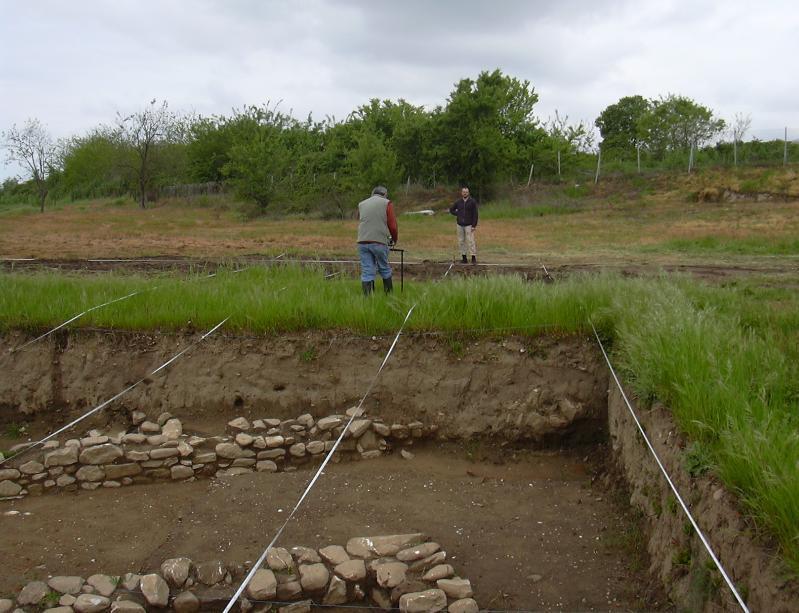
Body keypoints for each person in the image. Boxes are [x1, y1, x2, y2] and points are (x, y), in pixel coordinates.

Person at [357, 185, 398, 295]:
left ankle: (368, 298)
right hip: (379, 242)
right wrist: (394, 239)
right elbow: (393, 226)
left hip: (362, 241)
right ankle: (389, 295)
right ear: (385, 194)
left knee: (367, 271)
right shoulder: (386, 203)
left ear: (372, 194)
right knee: (384, 268)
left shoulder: (362, 204)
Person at [449, 186, 479, 264]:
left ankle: (473, 258)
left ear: (468, 193)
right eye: (463, 192)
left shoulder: (472, 202)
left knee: (470, 241)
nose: (465, 193)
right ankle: (464, 258)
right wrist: (458, 214)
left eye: (466, 192)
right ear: (461, 193)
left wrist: (474, 225)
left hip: (469, 225)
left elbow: (475, 214)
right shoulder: (458, 202)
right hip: (460, 225)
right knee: (461, 241)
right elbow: (451, 209)